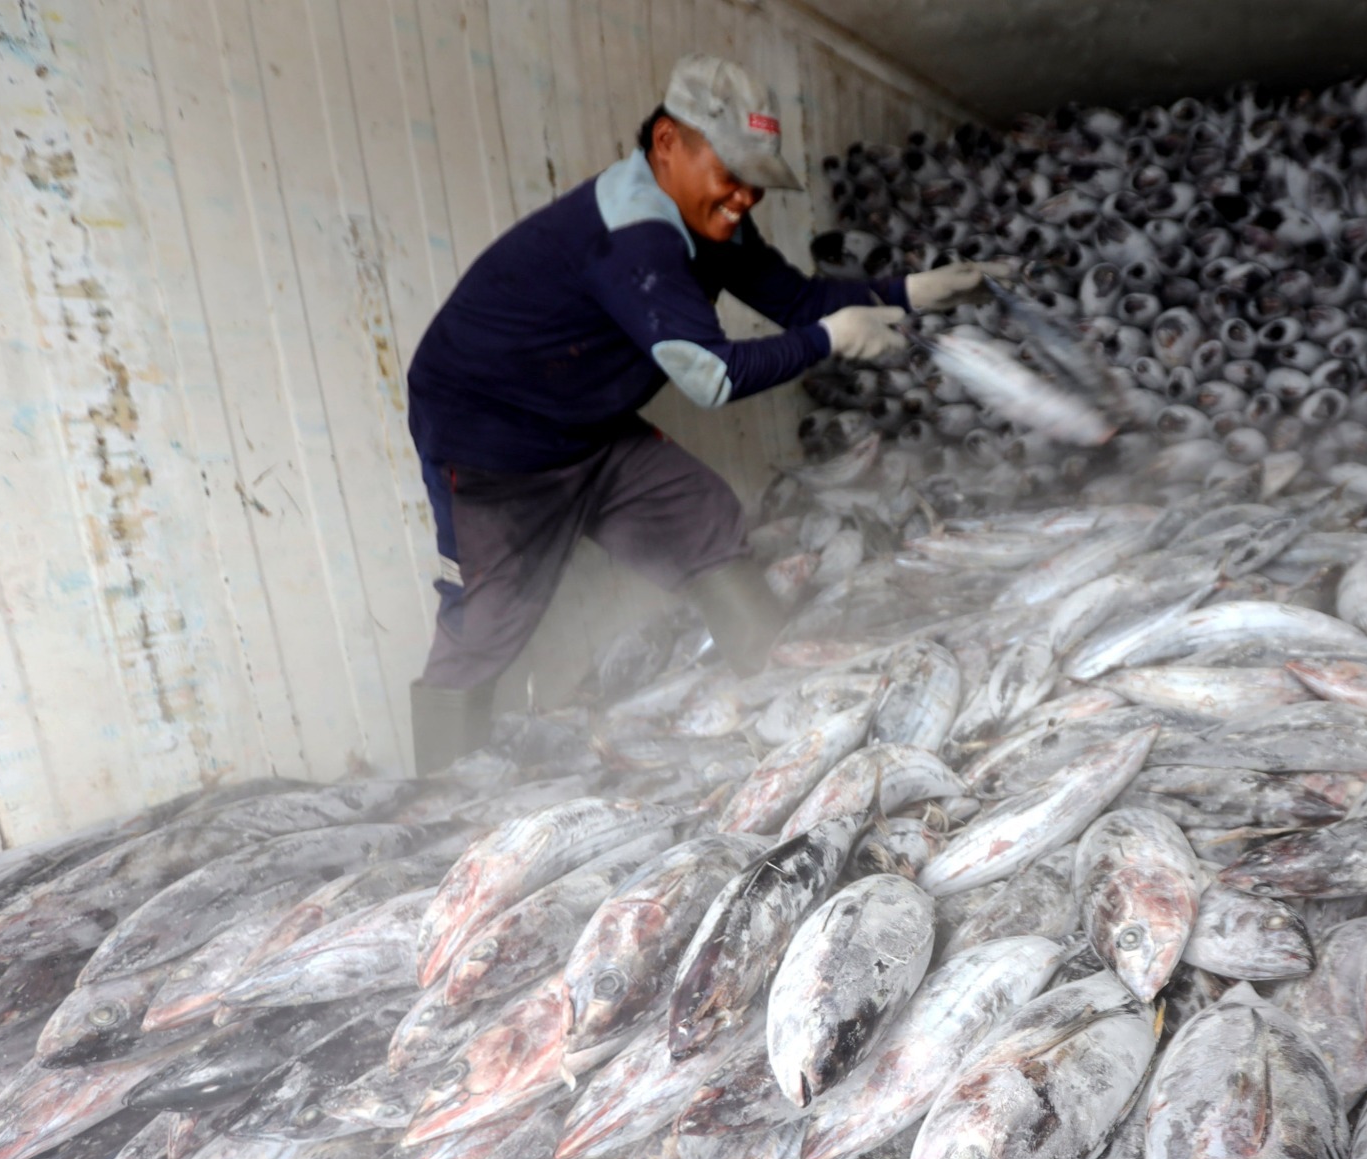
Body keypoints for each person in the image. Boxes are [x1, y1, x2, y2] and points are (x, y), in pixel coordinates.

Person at [402, 54, 1000, 772]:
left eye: (756, 180)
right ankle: (436, 797)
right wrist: (830, 341)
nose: (745, 195)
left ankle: (782, 707)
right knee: (488, 620)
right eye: (731, 173)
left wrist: (912, 290)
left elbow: (797, 299)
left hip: (588, 426)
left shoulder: (710, 223)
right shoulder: (636, 239)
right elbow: (711, 376)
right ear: (667, 145)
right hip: (493, 444)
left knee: (702, 517)